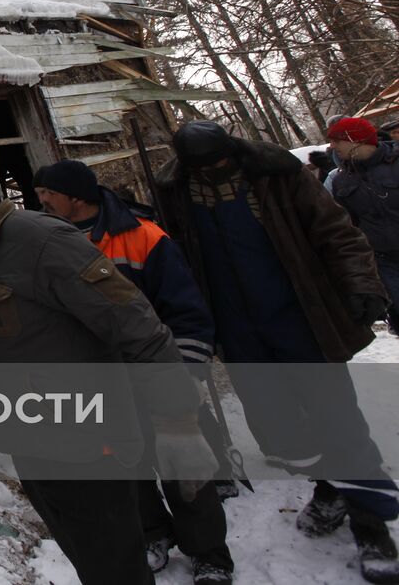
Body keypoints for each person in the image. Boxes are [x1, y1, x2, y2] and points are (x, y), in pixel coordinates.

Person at [0, 139, 214, 585]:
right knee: (89, 557)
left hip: (84, 445)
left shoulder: (42, 240)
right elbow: (27, 325)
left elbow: (137, 325)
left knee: (114, 566)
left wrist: (179, 423)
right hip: (33, 440)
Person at [156, 120, 399, 584]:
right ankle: (328, 487)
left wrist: (361, 284)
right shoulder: (175, 189)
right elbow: (176, 260)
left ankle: (371, 527)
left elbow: (337, 232)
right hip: (238, 331)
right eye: (203, 167)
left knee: (340, 423)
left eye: (219, 163)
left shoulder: (275, 173)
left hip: (301, 318)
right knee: (281, 433)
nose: (213, 172)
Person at [33, 159, 233, 584]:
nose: (41, 201)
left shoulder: (144, 237)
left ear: (74, 196)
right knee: (128, 469)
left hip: (155, 374)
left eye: (48, 193)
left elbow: (187, 312)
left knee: (182, 470)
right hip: (103, 383)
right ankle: (152, 533)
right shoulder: (49, 244)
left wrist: (188, 373)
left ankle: (209, 552)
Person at [328, 117, 399, 334]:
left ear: (355, 140)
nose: (331, 146)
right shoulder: (341, 181)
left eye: (336, 140)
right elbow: (348, 227)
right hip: (385, 263)